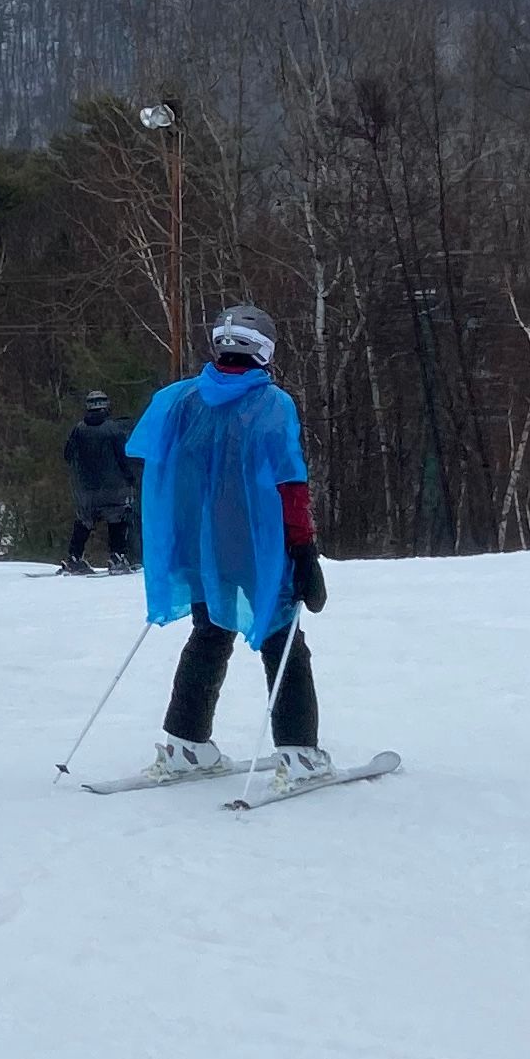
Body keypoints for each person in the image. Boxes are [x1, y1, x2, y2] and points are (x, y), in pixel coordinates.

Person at [125, 303, 332, 783]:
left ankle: (186, 743)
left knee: (210, 632)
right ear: (264, 351)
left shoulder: (179, 400)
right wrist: (303, 551)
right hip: (257, 544)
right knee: (283, 643)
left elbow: (157, 468)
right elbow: (290, 484)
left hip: (200, 546)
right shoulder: (271, 404)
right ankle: (299, 752)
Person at [57, 389, 132, 573]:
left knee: (84, 521)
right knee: (117, 519)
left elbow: (68, 455)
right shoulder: (114, 429)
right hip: (114, 487)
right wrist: (130, 477)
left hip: (85, 489)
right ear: (106, 406)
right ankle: (117, 557)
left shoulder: (79, 429)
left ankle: (74, 557)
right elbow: (123, 457)